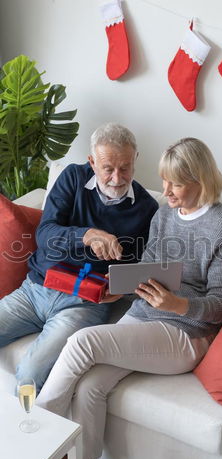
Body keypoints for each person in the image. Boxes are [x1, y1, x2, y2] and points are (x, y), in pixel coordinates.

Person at [36, 137, 222, 459]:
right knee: (90, 386)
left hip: (186, 333)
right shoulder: (164, 214)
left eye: (175, 183)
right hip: (145, 315)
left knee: (83, 341)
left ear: (200, 181)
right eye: (164, 180)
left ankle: (39, 431)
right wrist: (123, 291)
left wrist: (178, 304)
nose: (167, 190)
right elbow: (148, 269)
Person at [0, 123, 158, 392]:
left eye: (125, 167)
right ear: (92, 162)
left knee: (30, 372)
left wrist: (120, 290)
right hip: (35, 290)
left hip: (83, 305)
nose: (117, 178)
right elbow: (45, 235)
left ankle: (23, 431)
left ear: (135, 160)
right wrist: (86, 235)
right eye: (108, 168)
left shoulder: (147, 208)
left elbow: (141, 269)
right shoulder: (73, 178)